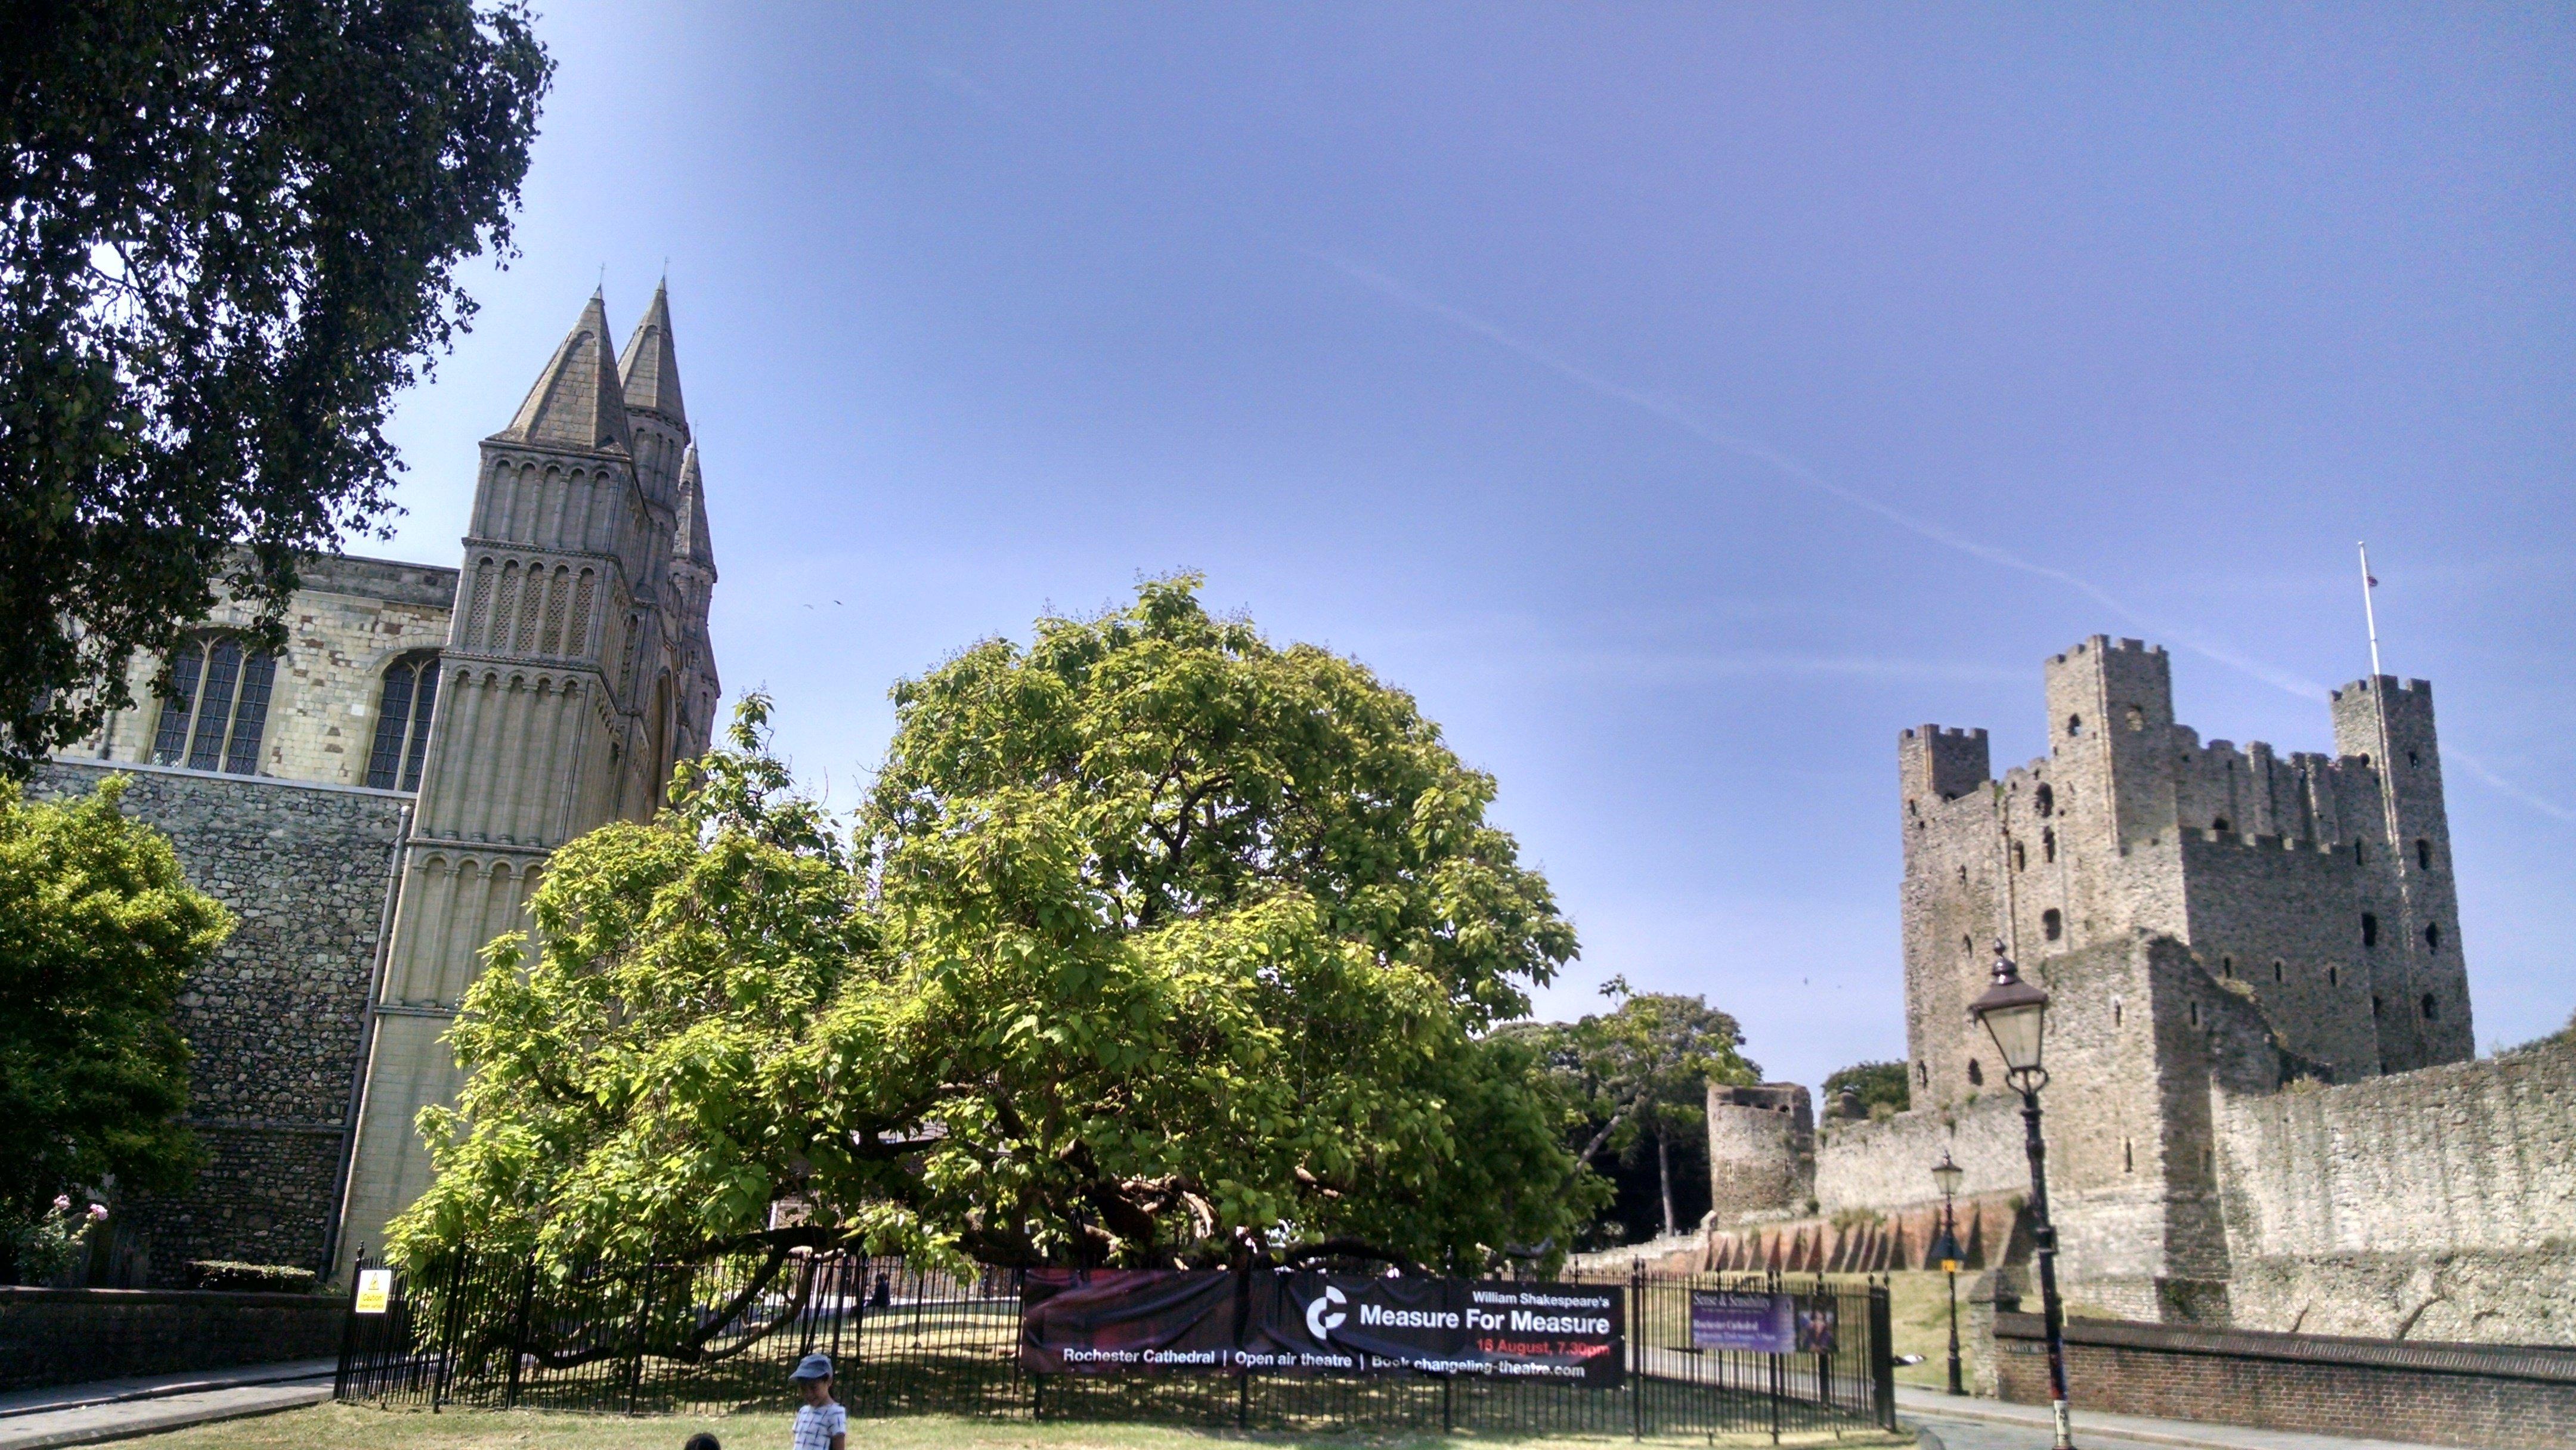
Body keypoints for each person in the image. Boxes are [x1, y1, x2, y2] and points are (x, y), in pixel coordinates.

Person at [789, 1353, 846, 1450]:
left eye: (814, 1388)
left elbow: (839, 1444)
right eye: (803, 1389)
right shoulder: (803, 1412)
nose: (809, 1394)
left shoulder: (835, 1413)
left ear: (829, 1381)